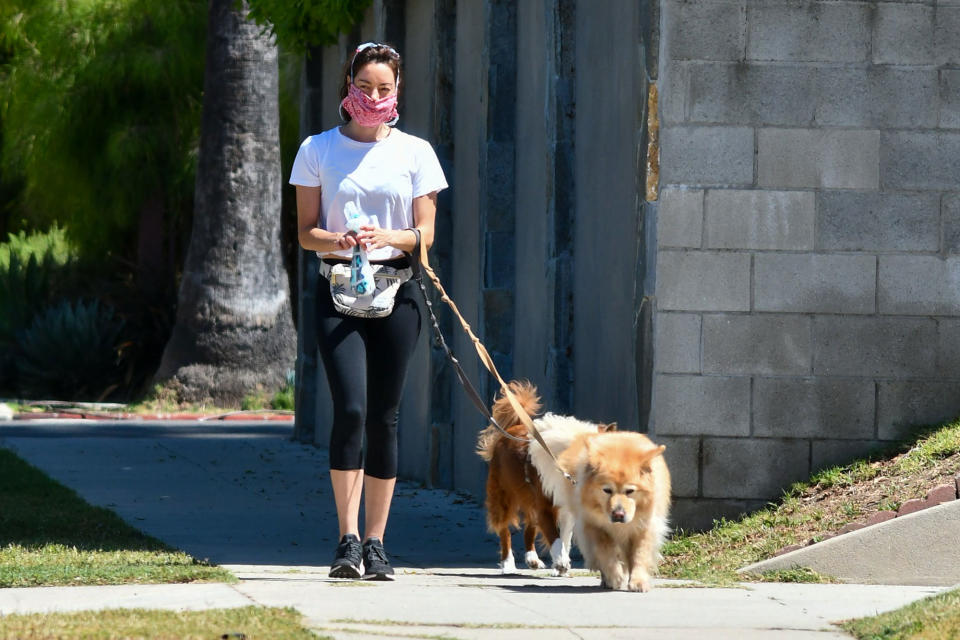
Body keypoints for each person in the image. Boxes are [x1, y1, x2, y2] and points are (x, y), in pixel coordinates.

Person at [289, 42, 448, 580]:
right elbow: (306, 233)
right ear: (348, 87)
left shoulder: (415, 152)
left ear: (397, 92)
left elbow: (424, 236)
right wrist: (339, 238)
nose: (374, 97)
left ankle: (377, 543)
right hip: (337, 292)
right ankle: (347, 538)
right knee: (351, 411)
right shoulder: (317, 149)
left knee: (385, 416)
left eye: (385, 89)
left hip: (395, 293)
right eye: (365, 87)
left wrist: (387, 235)